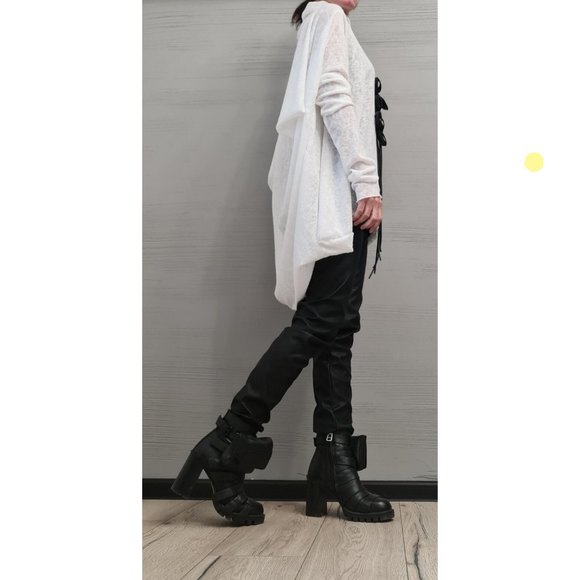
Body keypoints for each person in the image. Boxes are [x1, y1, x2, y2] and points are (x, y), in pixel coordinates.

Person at [171, 0, 393, 526]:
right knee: (321, 323)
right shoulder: (327, 15)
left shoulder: (323, 21)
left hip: (340, 203)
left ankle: (334, 462)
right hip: (339, 204)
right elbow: (334, 96)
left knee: (336, 330)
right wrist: (366, 182)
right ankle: (228, 439)